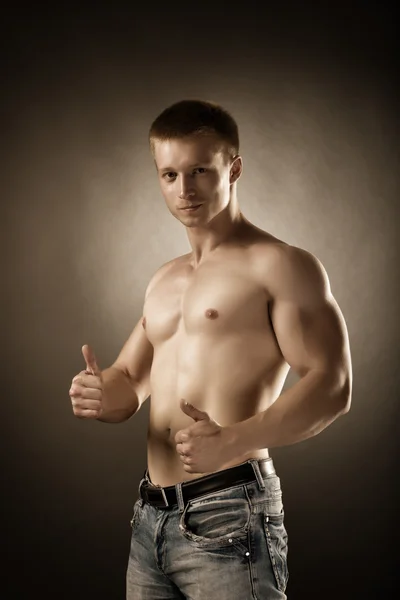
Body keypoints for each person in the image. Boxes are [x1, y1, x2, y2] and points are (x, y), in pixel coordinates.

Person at [69, 99, 352, 599]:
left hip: (231, 514)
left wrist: (234, 438)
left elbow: (333, 384)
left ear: (234, 167)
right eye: (170, 174)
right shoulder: (165, 278)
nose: (185, 189)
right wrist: (100, 393)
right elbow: (130, 382)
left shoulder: (281, 265)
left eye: (200, 170)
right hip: (150, 518)